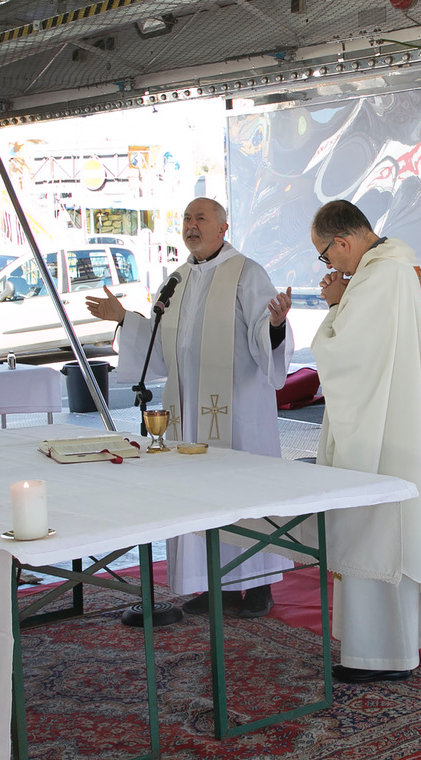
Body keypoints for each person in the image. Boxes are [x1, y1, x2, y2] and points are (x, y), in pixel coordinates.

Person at [85, 198, 294, 617]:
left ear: (223, 228)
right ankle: (209, 585)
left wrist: (274, 325)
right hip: (184, 412)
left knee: (240, 491)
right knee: (195, 492)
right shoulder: (176, 279)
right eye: (186, 218)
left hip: (237, 413)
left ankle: (256, 586)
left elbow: (263, 332)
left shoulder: (247, 273)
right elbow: (160, 346)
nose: (191, 226)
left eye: (201, 218)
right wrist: (125, 318)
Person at [308, 199, 421, 683]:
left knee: (379, 532)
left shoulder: (380, 277)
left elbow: (345, 357)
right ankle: (382, 650)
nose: (330, 266)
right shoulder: (400, 267)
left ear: (344, 242)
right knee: (389, 533)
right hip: (399, 424)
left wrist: (336, 303)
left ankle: (384, 655)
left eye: (326, 255)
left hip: (385, 436)